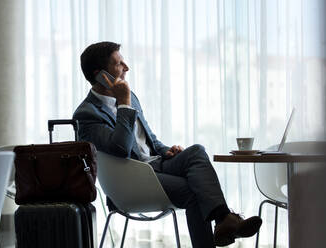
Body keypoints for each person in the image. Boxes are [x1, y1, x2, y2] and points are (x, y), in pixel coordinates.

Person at [73, 41, 262, 247]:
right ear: (100, 74)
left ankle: (224, 219)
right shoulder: (87, 113)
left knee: (196, 151)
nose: (126, 68)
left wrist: (166, 150)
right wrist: (124, 103)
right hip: (131, 180)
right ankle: (225, 221)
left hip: (156, 165)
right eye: (119, 63)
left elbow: (149, 139)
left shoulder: (131, 98)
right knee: (193, 191)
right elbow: (121, 148)